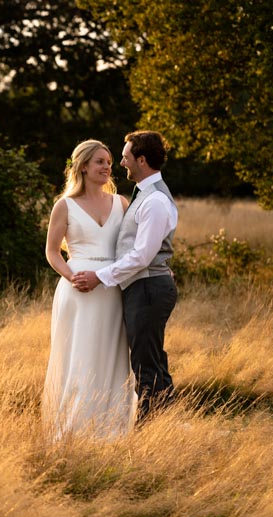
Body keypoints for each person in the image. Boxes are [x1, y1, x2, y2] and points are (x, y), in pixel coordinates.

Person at [72, 131, 179, 421]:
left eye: (125, 156)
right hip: (144, 286)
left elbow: (142, 255)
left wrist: (100, 276)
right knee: (150, 361)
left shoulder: (154, 200)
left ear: (141, 160)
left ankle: (153, 430)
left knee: (147, 366)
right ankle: (160, 426)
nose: (121, 163)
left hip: (148, 288)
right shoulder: (145, 196)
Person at [42, 140, 135, 440]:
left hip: (112, 289)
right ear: (83, 166)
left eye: (109, 161)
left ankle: (111, 431)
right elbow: (52, 252)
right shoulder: (64, 205)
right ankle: (72, 431)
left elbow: (133, 248)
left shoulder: (122, 203)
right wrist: (72, 277)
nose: (108, 167)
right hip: (77, 292)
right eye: (100, 161)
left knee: (112, 356)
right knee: (77, 358)